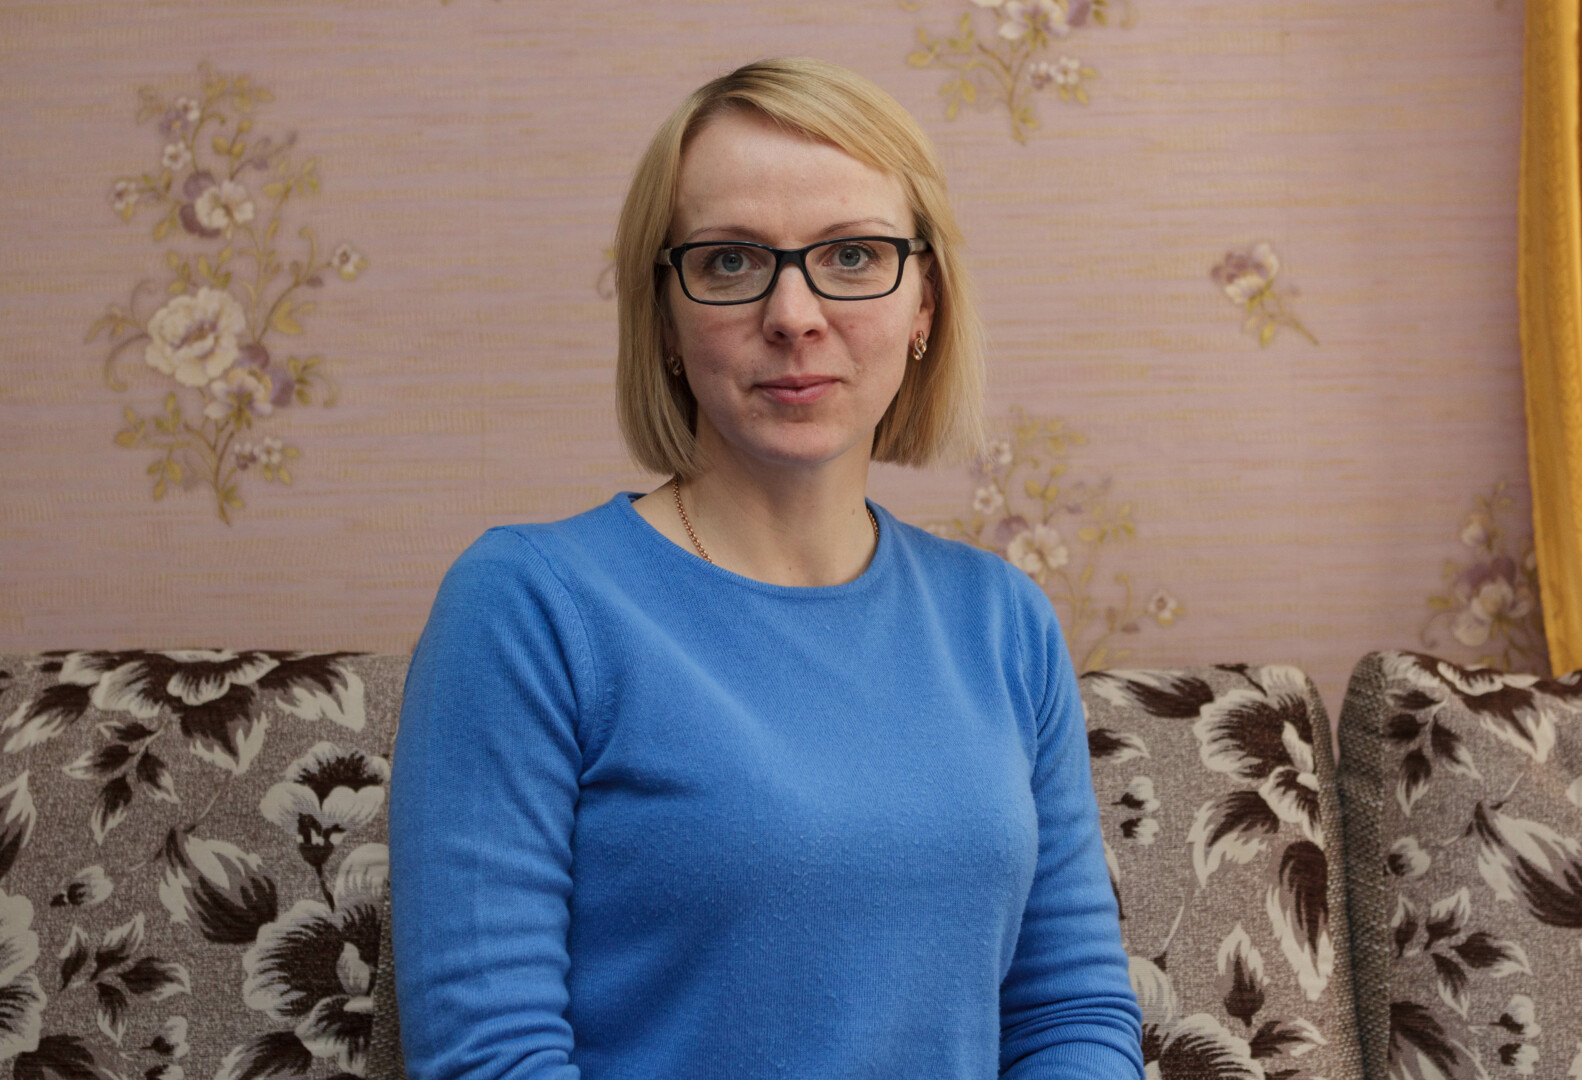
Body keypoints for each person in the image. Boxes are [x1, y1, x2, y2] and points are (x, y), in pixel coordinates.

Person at [388, 56, 1144, 1080]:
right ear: (664, 314)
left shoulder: (1003, 619)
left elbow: (1072, 1015)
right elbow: (490, 1057)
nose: (793, 313)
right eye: (731, 261)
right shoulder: (526, 605)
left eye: (854, 254)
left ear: (925, 303)